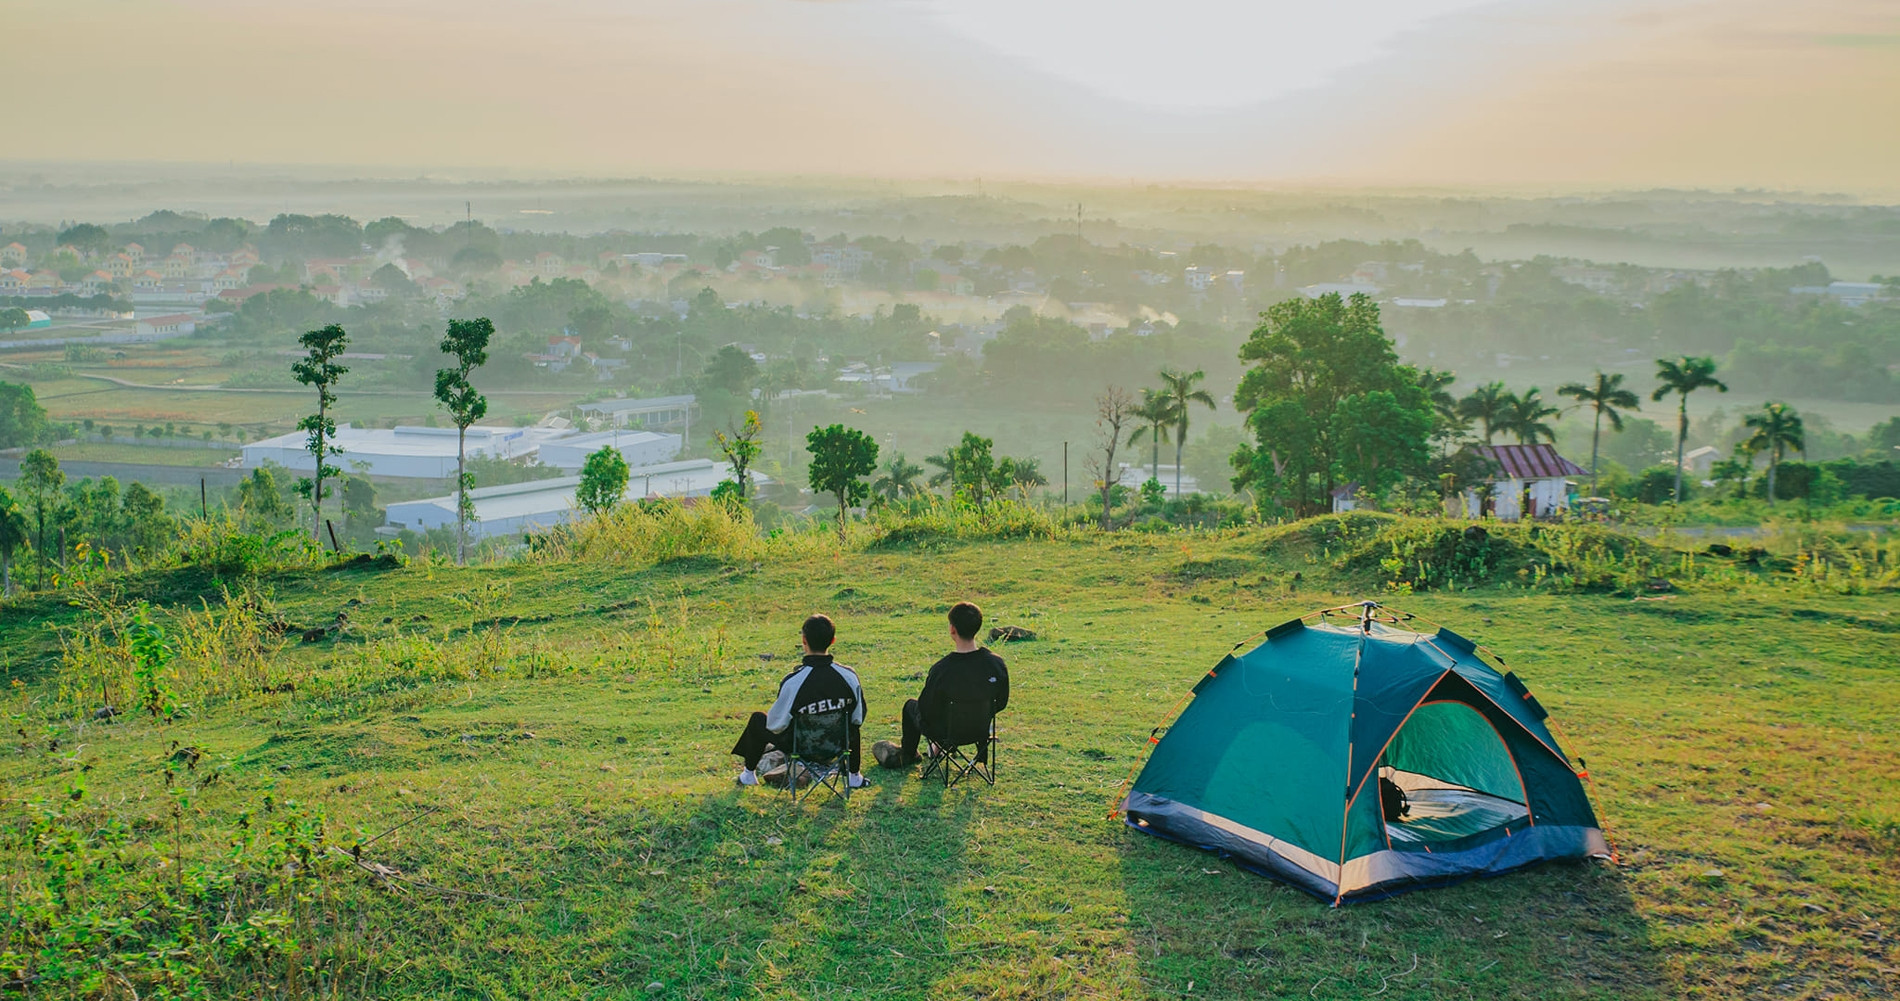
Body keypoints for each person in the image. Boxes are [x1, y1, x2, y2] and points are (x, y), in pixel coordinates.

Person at [731, 613, 867, 789]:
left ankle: (748, 775)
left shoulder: (794, 681)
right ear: (833, 640)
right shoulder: (849, 676)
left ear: (804, 640)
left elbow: (776, 724)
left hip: (801, 748)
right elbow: (859, 717)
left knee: (759, 719)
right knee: (852, 726)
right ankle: (854, 776)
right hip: (838, 746)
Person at [873, 601, 1009, 771]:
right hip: (979, 728)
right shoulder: (995, 663)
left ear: (952, 629)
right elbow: (1001, 702)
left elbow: (926, 709)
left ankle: (909, 753)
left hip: (947, 733)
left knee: (910, 706)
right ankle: (940, 748)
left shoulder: (942, 669)